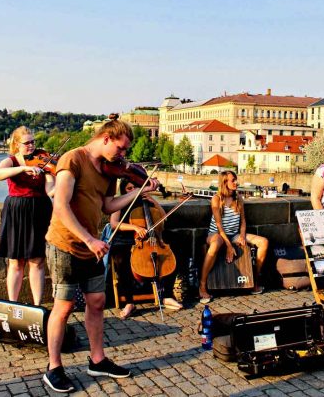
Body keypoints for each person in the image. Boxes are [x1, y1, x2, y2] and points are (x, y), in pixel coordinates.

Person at [42, 116, 161, 393]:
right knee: (63, 308)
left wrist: (139, 191)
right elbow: (60, 205)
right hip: (66, 245)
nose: (123, 156)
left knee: (97, 302)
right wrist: (89, 239)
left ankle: (97, 360)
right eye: (120, 149)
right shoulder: (73, 159)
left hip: (91, 246)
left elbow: (108, 205)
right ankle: (54, 368)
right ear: (105, 138)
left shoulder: (109, 170)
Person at [0, 126, 54, 306]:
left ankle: (37, 305)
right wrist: (21, 169)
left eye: (33, 142)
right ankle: (12, 304)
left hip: (39, 209)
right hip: (17, 210)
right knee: (15, 261)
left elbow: (50, 190)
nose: (31, 146)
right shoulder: (11, 161)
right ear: (16, 144)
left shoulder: (43, 160)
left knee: (37, 261)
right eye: (26, 143)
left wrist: (63, 187)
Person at [109, 180, 182, 320]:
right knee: (121, 260)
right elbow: (114, 223)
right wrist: (135, 227)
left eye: (135, 187)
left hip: (149, 240)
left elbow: (164, 219)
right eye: (129, 188)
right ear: (123, 190)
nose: (132, 190)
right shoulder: (120, 202)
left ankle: (167, 295)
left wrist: (154, 201)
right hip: (125, 239)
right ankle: (130, 303)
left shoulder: (146, 201)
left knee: (172, 253)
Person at [199, 170, 268, 304]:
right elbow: (219, 225)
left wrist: (242, 236)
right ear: (225, 182)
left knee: (263, 242)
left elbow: (243, 221)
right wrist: (229, 246)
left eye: (236, 180)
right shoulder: (216, 199)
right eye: (233, 180)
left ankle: (255, 280)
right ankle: (202, 285)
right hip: (216, 234)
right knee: (216, 243)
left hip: (234, 234)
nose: (236, 182)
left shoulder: (239, 199)